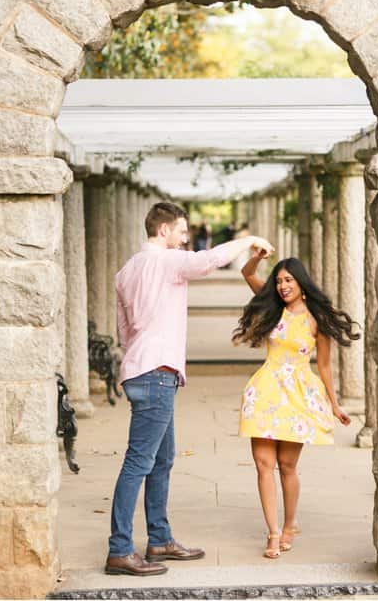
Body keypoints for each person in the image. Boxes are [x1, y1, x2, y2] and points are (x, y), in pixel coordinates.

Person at [104, 202, 274, 576]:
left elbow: (124, 329)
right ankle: (119, 548)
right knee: (139, 462)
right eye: (181, 231)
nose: (185, 238)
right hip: (157, 372)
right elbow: (209, 259)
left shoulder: (127, 270)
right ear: (163, 230)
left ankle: (160, 538)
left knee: (162, 459)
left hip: (142, 368)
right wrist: (249, 241)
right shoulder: (168, 261)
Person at [233, 251, 360, 559]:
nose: (282, 286)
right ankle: (274, 533)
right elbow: (248, 274)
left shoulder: (317, 321)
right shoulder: (274, 308)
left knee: (287, 466)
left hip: (297, 396)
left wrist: (335, 404)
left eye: (288, 280)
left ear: (301, 283)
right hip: (265, 392)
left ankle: (290, 525)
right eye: (278, 281)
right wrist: (257, 257)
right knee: (264, 465)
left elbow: (326, 367)